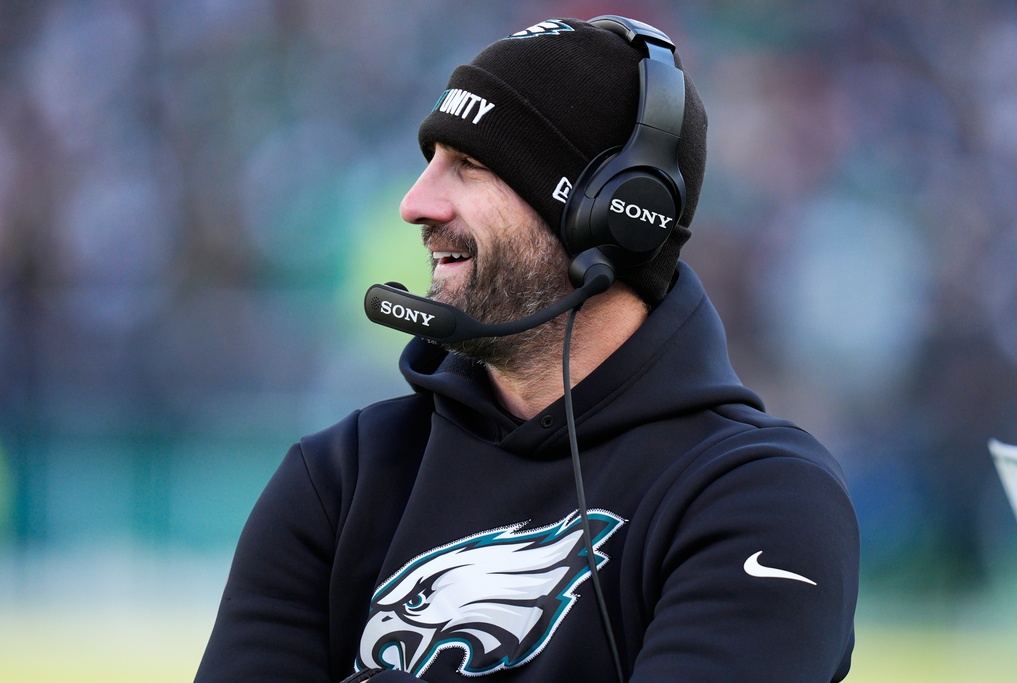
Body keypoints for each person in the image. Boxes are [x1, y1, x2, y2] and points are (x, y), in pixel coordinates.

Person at [195, 15, 859, 683]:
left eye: (470, 165)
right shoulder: (339, 478)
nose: (416, 203)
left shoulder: (762, 498)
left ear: (614, 214)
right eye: (429, 162)